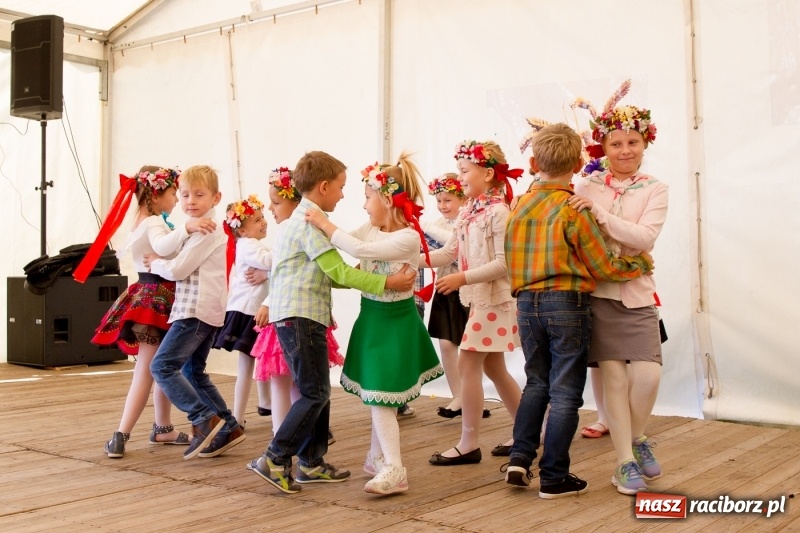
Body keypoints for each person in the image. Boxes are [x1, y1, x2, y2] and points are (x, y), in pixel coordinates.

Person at [246, 151, 417, 494]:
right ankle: (275, 457)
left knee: (318, 390)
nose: (344, 195)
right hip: (299, 316)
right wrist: (386, 283)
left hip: (305, 315)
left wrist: (362, 276)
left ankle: (311, 463)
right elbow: (338, 271)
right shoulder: (311, 222)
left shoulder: (308, 218)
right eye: (340, 187)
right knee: (316, 392)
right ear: (323, 187)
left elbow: (331, 274)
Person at [503, 123, 653, 499]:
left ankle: (520, 457)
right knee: (566, 391)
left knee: (535, 382)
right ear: (579, 163)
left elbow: (507, 258)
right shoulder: (573, 208)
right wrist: (641, 266)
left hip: (525, 303)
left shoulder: (518, 205)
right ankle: (554, 476)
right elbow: (603, 266)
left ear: (534, 161)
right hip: (566, 302)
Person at [305, 153, 444, 495]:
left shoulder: (408, 237)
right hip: (372, 319)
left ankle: (395, 468)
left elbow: (355, 247)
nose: (363, 204)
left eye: (367, 196)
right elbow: (346, 244)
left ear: (385, 198)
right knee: (377, 394)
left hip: (396, 324)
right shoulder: (371, 227)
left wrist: (324, 223)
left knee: (382, 398)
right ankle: (376, 457)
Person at [74, 166, 214, 458]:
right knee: (150, 369)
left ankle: (162, 428)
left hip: (155, 295)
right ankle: (121, 433)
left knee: (163, 367)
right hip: (155, 299)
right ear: (158, 193)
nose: (178, 201)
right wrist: (188, 229)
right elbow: (164, 246)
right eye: (175, 194)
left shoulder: (145, 220)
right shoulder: (152, 222)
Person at [568, 88, 667, 494]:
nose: (625, 150)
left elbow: (645, 237)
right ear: (603, 146)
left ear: (645, 143)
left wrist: (602, 217)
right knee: (614, 379)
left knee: (648, 375)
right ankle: (624, 462)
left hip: (639, 294)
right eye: (616, 143)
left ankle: (638, 437)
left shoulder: (656, 189)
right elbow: (577, 232)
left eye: (632, 142)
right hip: (600, 295)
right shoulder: (585, 185)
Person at [424, 140, 523, 466]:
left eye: (466, 171)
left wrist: (461, 278)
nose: (461, 177)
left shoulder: (498, 212)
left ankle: (469, 443)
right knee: (493, 367)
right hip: (479, 301)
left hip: (493, 302)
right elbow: (449, 253)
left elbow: (503, 264)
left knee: (468, 365)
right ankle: (529, 431)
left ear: (489, 173)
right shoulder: (469, 210)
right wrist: (412, 256)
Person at [147, 165, 246, 460]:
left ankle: (203, 419)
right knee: (193, 372)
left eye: (199, 195)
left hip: (195, 310)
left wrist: (155, 264)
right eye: (185, 194)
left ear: (216, 198)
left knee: (162, 366)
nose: (191, 201)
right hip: (204, 309)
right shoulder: (194, 228)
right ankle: (228, 427)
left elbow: (178, 268)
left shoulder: (207, 229)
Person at [251, 167, 344, 442]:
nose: (270, 208)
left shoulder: (297, 228)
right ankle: (282, 439)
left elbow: (284, 268)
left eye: (277, 202)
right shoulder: (292, 230)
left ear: (296, 201)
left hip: (294, 312)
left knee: (304, 384)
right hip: (289, 315)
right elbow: (283, 270)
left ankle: (302, 440)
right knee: (290, 382)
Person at [212, 194, 271, 428]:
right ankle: (236, 416)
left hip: (249, 309)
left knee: (261, 358)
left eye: (263, 217)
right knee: (248, 364)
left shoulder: (248, 244)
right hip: (250, 312)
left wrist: (266, 274)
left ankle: (265, 402)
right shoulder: (249, 246)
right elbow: (275, 261)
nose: (264, 222)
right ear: (242, 231)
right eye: (257, 220)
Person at [421, 173, 470, 418]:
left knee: (471, 346)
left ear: (463, 198)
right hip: (445, 286)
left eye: (448, 200)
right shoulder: (438, 225)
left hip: (468, 286)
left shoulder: (468, 219)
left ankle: (472, 397)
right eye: (439, 201)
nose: (442, 206)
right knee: (446, 344)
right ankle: (458, 396)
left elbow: (454, 247)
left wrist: (425, 227)